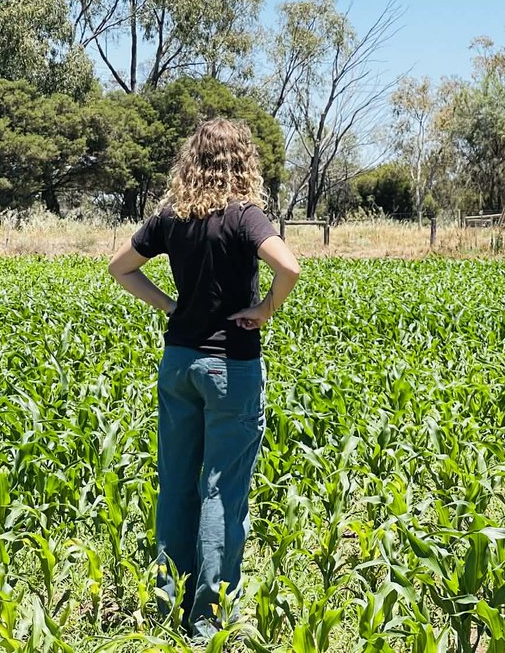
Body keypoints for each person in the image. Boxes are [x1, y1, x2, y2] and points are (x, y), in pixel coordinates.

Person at [107, 118, 300, 639]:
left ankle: (168, 601)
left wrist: (171, 304)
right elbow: (291, 266)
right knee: (221, 491)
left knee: (175, 484)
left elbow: (120, 267)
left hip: (179, 365)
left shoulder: (171, 217)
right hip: (230, 369)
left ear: (192, 160)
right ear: (243, 161)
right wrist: (265, 309)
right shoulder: (244, 216)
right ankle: (206, 624)